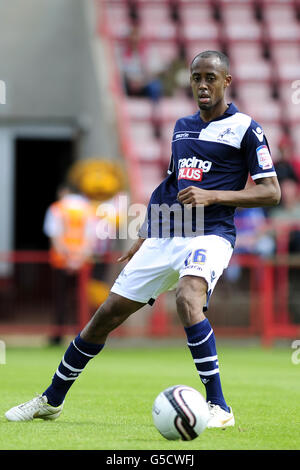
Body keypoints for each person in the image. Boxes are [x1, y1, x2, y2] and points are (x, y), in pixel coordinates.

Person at [5, 51, 281, 428]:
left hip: (211, 234)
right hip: (165, 235)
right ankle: (50, 400)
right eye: (196, 77)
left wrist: (213, 196)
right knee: (104, 318)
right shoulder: (182, 127)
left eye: (211, 78)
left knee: (188, 298)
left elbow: (270, 192)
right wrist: (147, 230)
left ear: (227, 81)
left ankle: (219, 406)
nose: (203, 85)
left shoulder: (246, 129)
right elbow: (170, 185)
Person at [43, 183, 96, 344]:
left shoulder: (57, 208)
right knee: (82, 300)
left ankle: (58, 336)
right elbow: (92, 238)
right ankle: (83, 335)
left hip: (61, 261)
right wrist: (78, 259)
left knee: (60, 299)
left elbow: (55, 235)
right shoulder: (89, 209)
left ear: (64, 191)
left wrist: (68, 258)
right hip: (83, 262)